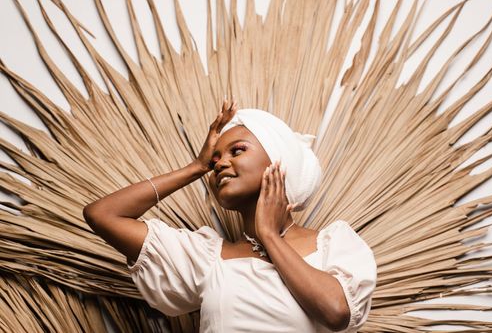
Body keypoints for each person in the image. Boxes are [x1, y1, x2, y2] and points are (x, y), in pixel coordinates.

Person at [83, 99, 377, 332]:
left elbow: (337, 312)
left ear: (279, 162)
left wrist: (270, 237)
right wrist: (195, 167)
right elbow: (103, 215)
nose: (221, 164)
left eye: (237, 150)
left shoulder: (333, 243)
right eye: (215, 161)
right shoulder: (208, 258)